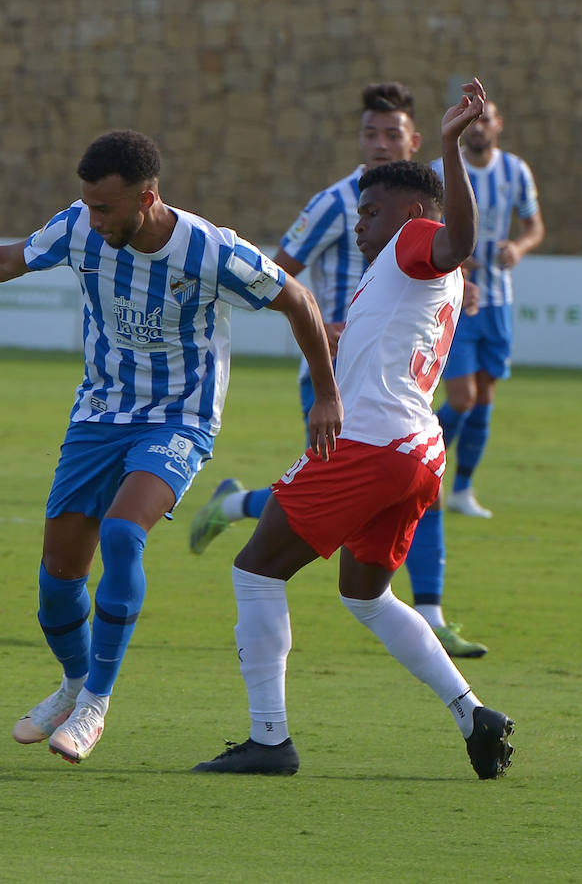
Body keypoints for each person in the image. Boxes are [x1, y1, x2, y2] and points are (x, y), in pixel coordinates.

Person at [0, 130, 342, 765]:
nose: (94, 217)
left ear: (147, 197)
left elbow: (297, 301)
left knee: (122, 534)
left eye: (106, 207)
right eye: (87, 204)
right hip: (98, 414)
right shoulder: (80, 229)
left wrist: (325, 395)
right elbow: (7, 260)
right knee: (57, 585)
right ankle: (75, 682)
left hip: (178, 419)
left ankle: (95, 705)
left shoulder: (213, 251)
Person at [192, 79, 515, 779]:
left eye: (369, 211)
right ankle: (473, 714)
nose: (360, 223)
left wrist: (453, 145)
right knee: (365, 595)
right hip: (414, 449)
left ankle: (269, 740)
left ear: (408, 210)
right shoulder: (396, 272)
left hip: (377, 445)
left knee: (255, 571)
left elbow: (457, 238)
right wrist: (334, 360)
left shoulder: (417, 239)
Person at [431, 97, 544, 519]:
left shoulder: (516, 171)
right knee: (461, 398)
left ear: (499, 125)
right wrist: (450, 253)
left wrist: (518, 246)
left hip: (499, 302)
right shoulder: (440, 170)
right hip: (452, 299)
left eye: (486, 120)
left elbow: (534, 226)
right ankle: (421, 468)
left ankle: (462, 490)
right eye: (472, 121)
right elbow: (421, 226)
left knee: (484, 399)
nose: (478, 127)